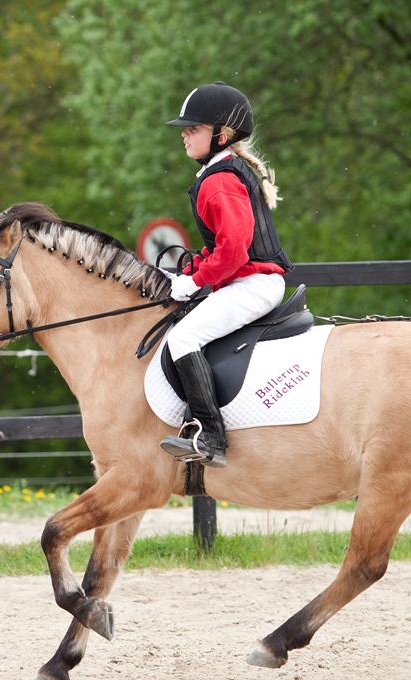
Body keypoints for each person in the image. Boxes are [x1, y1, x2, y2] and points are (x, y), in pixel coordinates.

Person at [159, 82, 293, 467]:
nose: (184, 133)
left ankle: (210, 436)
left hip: (251, 284)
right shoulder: (221, 173)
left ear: (223, 133)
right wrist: (191, 269)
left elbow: (233, 251)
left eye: (194, 128)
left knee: (183, 338)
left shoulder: (219, 180)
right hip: (249, 281)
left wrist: (195, 282)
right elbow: (221, 248)